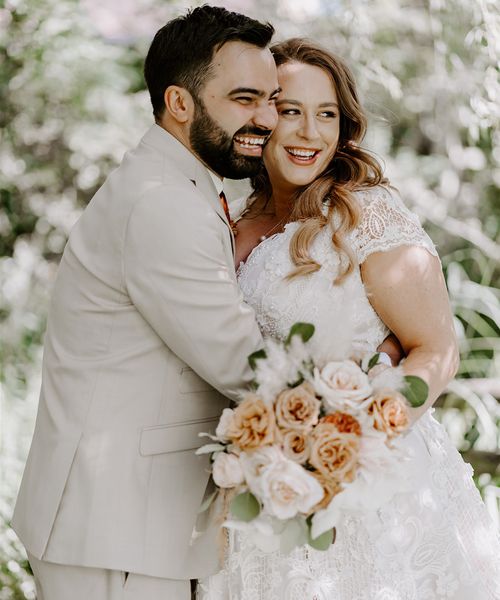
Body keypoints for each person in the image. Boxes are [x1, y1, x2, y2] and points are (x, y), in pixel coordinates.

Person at [197, 38, 500, 600]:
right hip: (259, 484)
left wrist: (352, 440)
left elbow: (435, 349)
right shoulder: (229, 221)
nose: (311, 133)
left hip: (372, 492)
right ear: (260, 116)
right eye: (291, 111)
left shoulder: (364, 213)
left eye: (327, 114)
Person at [11, 6, 281, 600]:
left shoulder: (178, 184)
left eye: (271, 98)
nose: (266, 118)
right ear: (178, 103)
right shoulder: (162, 202)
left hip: (134, 519)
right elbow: (244, 364)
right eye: (244, 98)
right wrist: (365, 393)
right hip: (114, 523)